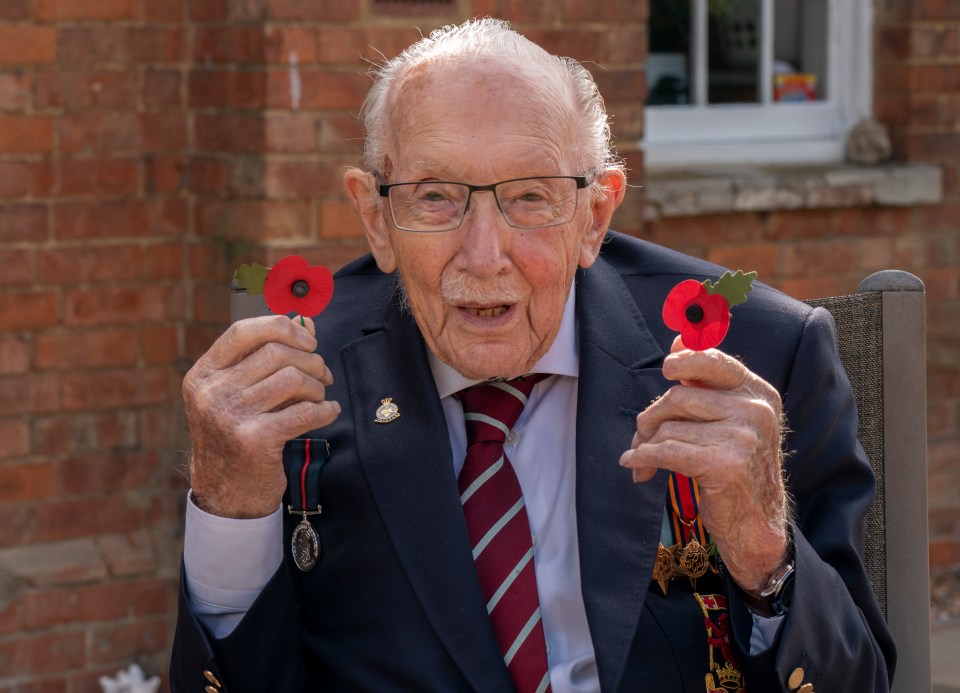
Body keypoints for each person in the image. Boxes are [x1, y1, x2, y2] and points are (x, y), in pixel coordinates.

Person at [170, 18, 894, 693]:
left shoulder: (761, 355)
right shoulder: (294, 394)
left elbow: (859, 679)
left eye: (529, 197)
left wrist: (765, 551)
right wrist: (228, 516)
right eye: (434, 197)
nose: (485, 256)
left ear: (596, 216)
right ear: (375, 218)